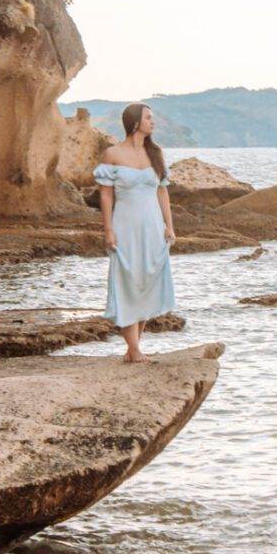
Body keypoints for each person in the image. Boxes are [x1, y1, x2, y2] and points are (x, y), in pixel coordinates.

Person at [93, 103, 177, 363]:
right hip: (125, 226)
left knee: (147, 282)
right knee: (127, 281)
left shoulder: (155, 154)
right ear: (134, 123)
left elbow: (162, 192)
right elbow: (105, 196)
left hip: (152, 226)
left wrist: (169, 226)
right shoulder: (113, 154)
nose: (153, 122)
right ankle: (134, 349)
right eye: (149, 118)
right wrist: (108, 230)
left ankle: (134, 348)